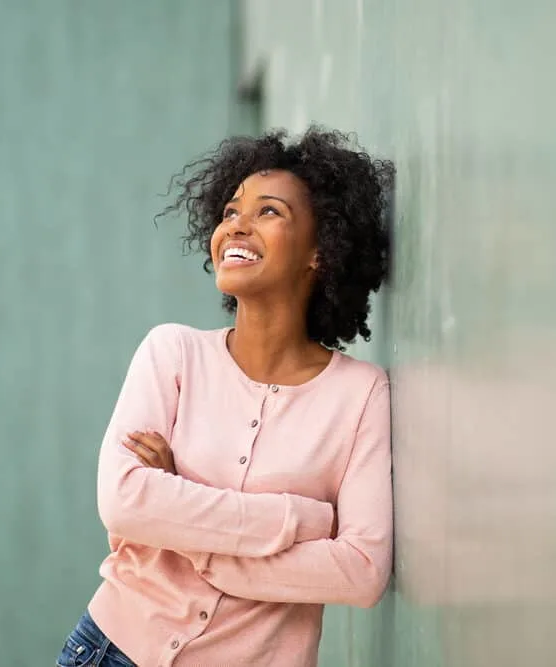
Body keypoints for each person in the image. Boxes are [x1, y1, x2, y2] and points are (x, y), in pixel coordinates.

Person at [55, 127, 395, 667]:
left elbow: (361, 570)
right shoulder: (172, 353)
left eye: (269, 212)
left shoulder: (360, 395)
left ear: (319, 251)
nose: (236, 224)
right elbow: (123, 502)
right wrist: (304, 520)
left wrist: (190, 533)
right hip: (110, 649)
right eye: (232, 210)